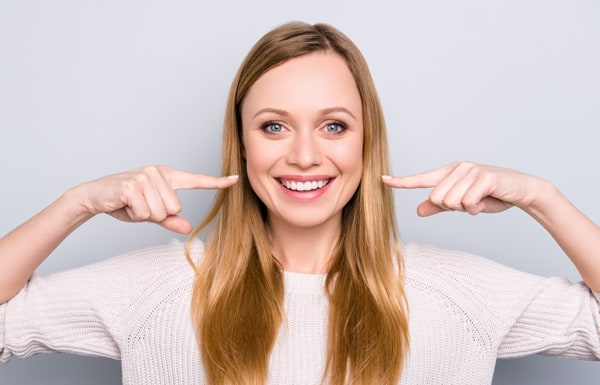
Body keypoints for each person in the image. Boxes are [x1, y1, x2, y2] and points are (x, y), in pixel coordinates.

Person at [1, 21, 599, 385]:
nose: (306, 156)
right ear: (241, 143)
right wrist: (76, 203)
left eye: (334, 126)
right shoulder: (160, 286)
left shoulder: (456, 291)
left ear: (368, 143)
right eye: (274, 126)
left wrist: (542, 199)